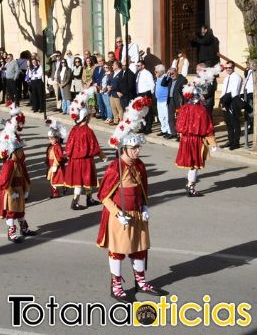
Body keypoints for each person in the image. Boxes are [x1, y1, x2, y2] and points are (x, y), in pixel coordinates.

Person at [97, 101, 167, 302]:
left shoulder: (140, 166)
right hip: (120, 216)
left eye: (138, 147)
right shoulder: (114, 168)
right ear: (124, 149)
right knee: (118, 252)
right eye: (134, 147)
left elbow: (144, 189)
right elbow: (103, 196)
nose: (138, 151)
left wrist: (145, 206)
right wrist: (118, 214)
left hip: (137, 214)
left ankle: (141, 282)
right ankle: (117, 285)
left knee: (139, 249)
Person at [176, 69, 219, 197]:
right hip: (196, 141)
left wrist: (182, 136)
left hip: (185, 140)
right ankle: (191, 187)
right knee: (194, 165)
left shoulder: (184, 109)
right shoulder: (202, 111)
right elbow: (208, 128)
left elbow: (178, 126)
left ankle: (190, 184)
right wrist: (213, 144)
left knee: (191, 165)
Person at [0, 118, 37, 242]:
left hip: (18, 191)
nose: (21, 153)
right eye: (19, 151)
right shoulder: (9, 165)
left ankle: (24, 229)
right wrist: (11, 192)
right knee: (12, 213)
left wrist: (25, 189)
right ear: (13, 152)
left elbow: (23, 177)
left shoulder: (17, 163)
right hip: (11, 193)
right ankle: (11, 233)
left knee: (20, 212)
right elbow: (3, 182)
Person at [66, 87, 106, 210]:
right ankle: (77, 201)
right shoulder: (88, 131)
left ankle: (87, 199)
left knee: (80, 180)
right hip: (86, 160)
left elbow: (68, 146)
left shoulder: (74, 130)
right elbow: (94, 146)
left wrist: (69, 156)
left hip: (75, 160)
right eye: (88, 116)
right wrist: (102, 155)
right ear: (85, 117)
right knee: (86, 179)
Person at [219, 61, 243, 150]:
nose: (228, 69)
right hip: (225, 101)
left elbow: (234, 92)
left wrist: (225, 102)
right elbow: (223, 90)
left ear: (233, 67)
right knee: (228, 124)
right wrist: (222, 102)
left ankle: (236, 143)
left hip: (233, 102)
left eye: (230, 67)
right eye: (226, 68)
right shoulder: (226, 78)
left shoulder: (236, 77)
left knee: (235, 123)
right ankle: (230, 140)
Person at [45, 118, 67, 199]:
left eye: (52, 138)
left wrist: (56, 164)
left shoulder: (57, 146)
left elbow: (60, 156)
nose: (50, 140)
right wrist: (47, 161)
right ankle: (55, 192)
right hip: (51, 164)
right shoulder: (50, 146)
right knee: (52, 179)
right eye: (49, 138)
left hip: (56, 165)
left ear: (57, 138)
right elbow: (48, 154)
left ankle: (63, 188)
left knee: (56, 179)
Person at [164, 67, 187, 140]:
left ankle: (180, 135)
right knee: (170, 118)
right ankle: (173, 133)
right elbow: (163, 84)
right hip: (170, 100)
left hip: (178, 101)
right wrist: (167, 76)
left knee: (179, 118)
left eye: (173, 73)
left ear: (176, 72)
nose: (171, 75)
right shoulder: (170, 79)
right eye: (170, 73)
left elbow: (184, 91)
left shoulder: (182, 79)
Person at [135, 60, 155, 134]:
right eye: (136, 66)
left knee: (148, 112)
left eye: (139, 65)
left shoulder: (147, 73)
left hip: (146, 94)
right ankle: (143, 127)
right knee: (141, 112)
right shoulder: (138, 73)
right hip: (139, 94)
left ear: (143, 66)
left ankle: (148, 128)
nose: (137, 67)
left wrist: (150, 94)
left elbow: (152, 84)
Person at [154, 64, 171, 137]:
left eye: (156, 72)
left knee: (166, 116)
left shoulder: (165, 77)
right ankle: (163, 129)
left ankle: (169, 131)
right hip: (159, 99)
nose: (155, 73)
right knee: (160, 116)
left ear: (161, 72)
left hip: (164, 100)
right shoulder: (157, 78)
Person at [243, 61, 255, 135]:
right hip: (248, 93)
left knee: (251, 112)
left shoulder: (253, 71)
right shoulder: (248, 71)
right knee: (249, 112)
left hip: (252, 93)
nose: (248, 65)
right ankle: (250, 127)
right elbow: (247, 81)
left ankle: (252, 127)